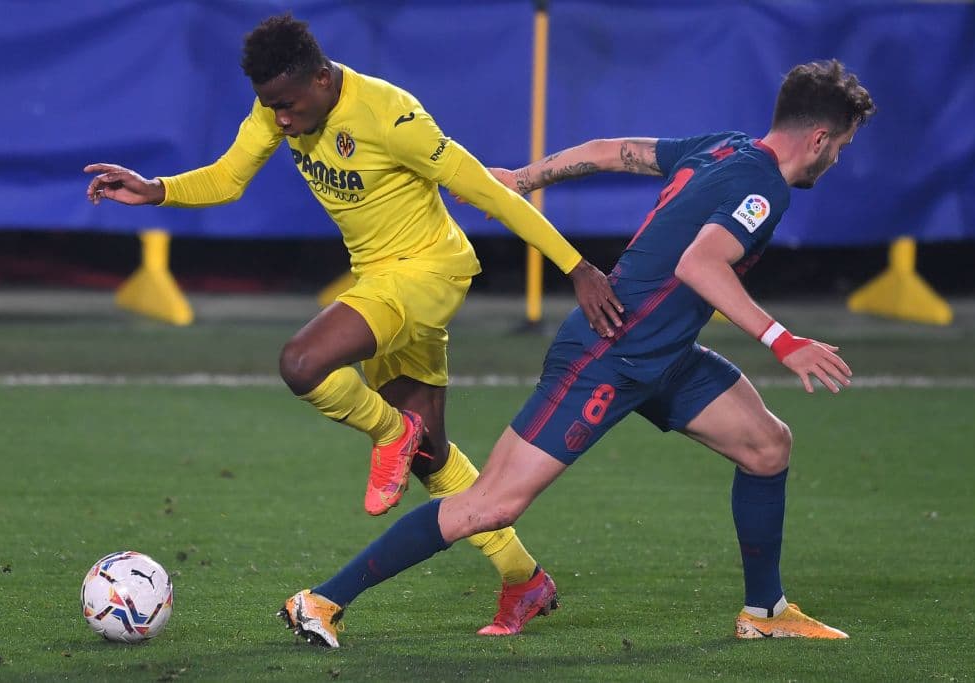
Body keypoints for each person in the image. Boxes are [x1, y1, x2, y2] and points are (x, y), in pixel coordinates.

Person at [274, 59, 876, 647]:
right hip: (609, 353)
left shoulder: (724, 147)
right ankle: (323, 600)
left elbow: (612, 150)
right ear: (820, 137)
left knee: (768, 446)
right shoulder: (764, 185)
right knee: (490, 504)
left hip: (665, 356)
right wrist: (783, 340)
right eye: (841, 146)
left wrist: (527, 178)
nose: (837, 158)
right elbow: (701, 264)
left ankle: (764, 610)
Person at [84, 14, 625, 637]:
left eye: (287, 105)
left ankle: (391, 431)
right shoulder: (278, 107)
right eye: (270, 108)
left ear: (320, 77)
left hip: (428, 274)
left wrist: (577, 266)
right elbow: (229, 177)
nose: (280, 120)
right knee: (433, 459)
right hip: (380, 280)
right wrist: (156, 190)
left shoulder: (391, 116)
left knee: (302, 363)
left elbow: (488, 192)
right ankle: (524, 580)